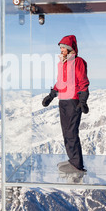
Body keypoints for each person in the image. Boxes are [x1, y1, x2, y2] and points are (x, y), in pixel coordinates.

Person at [42, 35, 90, 174]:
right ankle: (72, 160)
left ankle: (77, 165)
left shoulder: (78, 61)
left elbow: (83, 81)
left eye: (63, 47)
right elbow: (60, 82)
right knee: (66, 132)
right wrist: (51, 95)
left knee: (71, 132)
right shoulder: (62, 63)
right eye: (61, 47)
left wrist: (83, 100)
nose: (61, 49)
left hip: (73, 101)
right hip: (62, 100)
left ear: (69, 48)